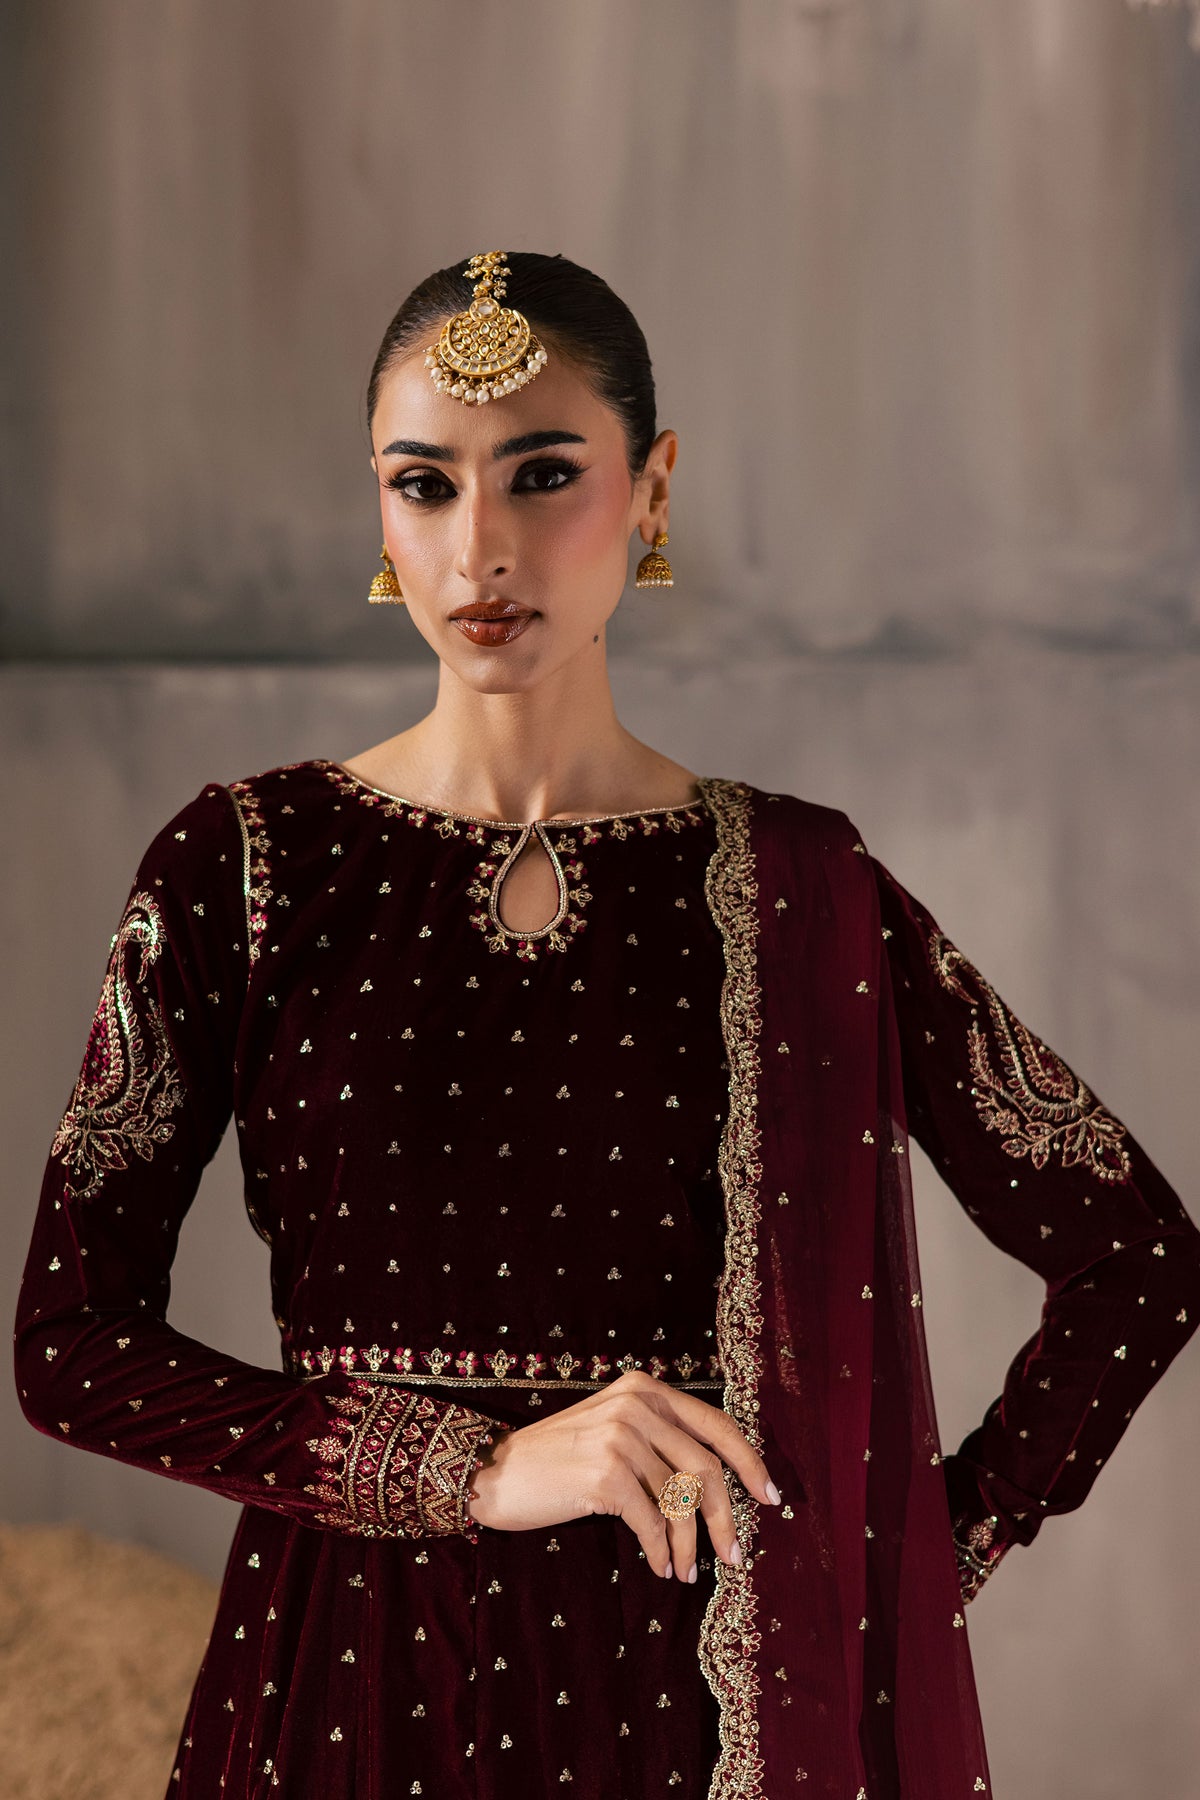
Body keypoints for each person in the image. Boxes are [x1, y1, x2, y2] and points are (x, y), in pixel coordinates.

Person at [13, 249, 1200, 1800]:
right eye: (425, 485)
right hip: (345, 1676)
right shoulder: (246, 867)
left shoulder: (802, 889)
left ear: (652, 490)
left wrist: (890, 1572)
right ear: (379, 512)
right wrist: (472, 1467)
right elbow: (71, 1348)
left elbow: (1137, 1258)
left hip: (694, 1691)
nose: (480, 548)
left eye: (543, 474)